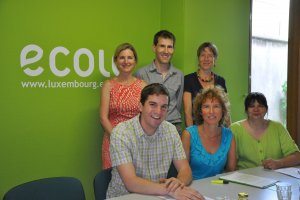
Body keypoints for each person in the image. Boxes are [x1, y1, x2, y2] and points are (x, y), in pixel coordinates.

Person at [107, 83, 204, 200]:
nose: (158, 111)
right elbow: (131, 183)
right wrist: (169, 190)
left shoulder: (171, 130)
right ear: (141, 106)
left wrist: (178, 183)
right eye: (153, 105)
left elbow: (185, 170)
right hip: (125, 197)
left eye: (164, 107)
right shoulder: (121, 133)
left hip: (159, 196)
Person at [99, 43, 147, 169]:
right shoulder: (108, 85)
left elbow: (146, 116)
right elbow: (103, 118)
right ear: (116, 60)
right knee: (112, 182)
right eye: (122, 57)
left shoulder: (143, 86)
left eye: (130, 57)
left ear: (135, 61)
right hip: (113, 140)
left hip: (137, 142)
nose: (126, 61)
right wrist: (118, 138)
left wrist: (133, 140)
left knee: (137, 183)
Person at [230, 92, 300, 170]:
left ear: (266, 109)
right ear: (246, 110)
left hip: (275, 178)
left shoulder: (278, 127)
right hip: (244, 178)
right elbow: (230, 164)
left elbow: (297, 156)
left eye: (260, 106)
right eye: (251, 106)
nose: (256, 109)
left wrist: (279, 163)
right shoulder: (235, 129)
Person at [181, 86, 236, 180]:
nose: (211, 112)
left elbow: (231, 171)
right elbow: (182, 171)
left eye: (216, 106)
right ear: (200, 111)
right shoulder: (188, 134)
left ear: (223, 110)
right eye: (206, 107)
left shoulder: (229, 135)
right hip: (192, 189)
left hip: (219, 189)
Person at [136, 30, 184, 135]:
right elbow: (140, 104)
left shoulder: (179, 75)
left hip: (173, 127)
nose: (166, 51)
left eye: (170, 47)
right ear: (154, 48)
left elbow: (178, 105)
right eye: (162, 46)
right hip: (148, 128)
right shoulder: (142, 74)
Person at [183, 42, 227, 127]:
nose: (206, 59)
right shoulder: (188, 79)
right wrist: (192, 134)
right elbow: (187, 112)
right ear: (198, 59)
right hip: (197, 130)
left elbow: (225, 111)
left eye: (210, 55)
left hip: (218, 130)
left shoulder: (221, 81)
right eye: (203, 55)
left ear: (215, 60)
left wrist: (229, 131)